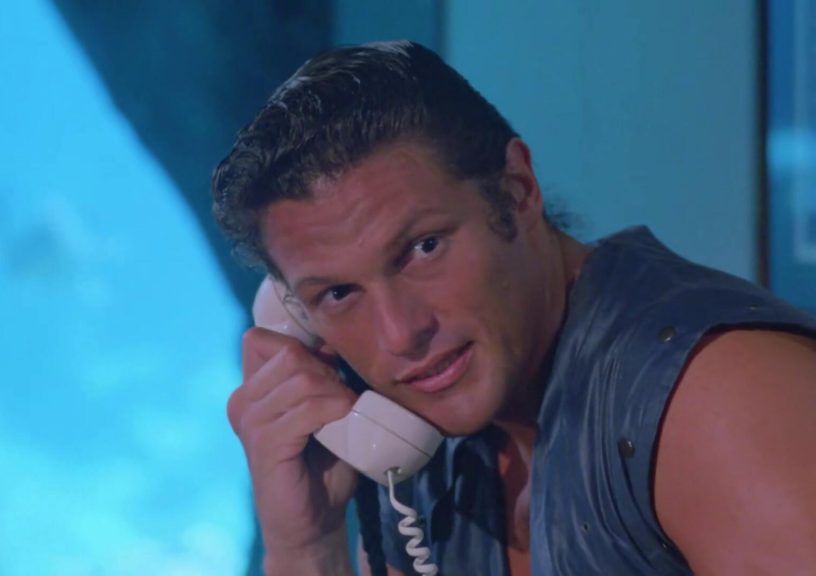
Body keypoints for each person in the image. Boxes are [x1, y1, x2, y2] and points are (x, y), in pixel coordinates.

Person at [211, 40, 816, 576]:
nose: (400, 334)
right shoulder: (422, 453)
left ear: (518, 191)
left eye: (424, 248)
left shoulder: (718, 400)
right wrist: (306, 549)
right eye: (339, 294)